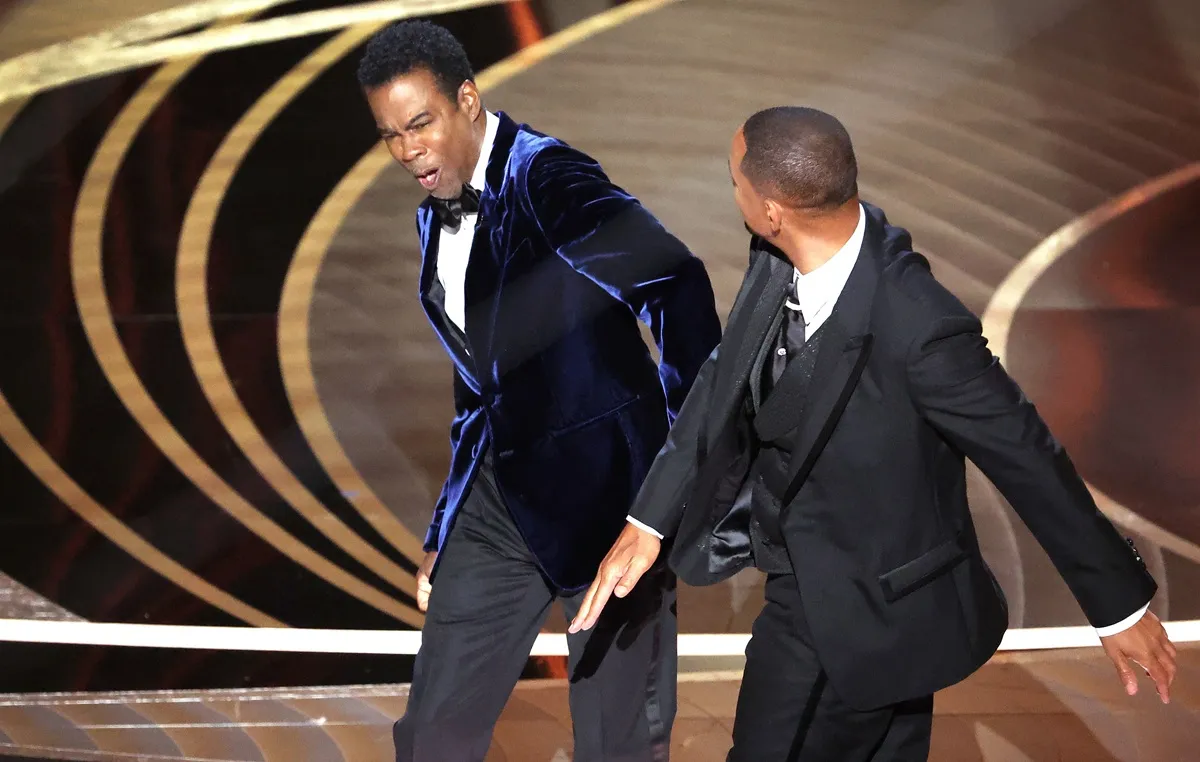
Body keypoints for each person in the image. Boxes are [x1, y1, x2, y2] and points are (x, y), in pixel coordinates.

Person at [570, 106, 1177, 761]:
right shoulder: (776, 256)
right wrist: (650, 520)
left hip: (865, 609)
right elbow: (728, 373)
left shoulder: (921, 326)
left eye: (735, 182)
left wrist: (1117, 605)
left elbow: (1027, 456)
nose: (733, 194)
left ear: (773, 210)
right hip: (838, 596)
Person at [356, 19, 721, 762]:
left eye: (420, 124)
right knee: (433, 736)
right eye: (390, 135)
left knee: (617, 747)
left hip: (609, 508)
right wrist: (445, 527)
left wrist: (669, 485)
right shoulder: (434, 214)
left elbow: (678, 285)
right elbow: (478, 386)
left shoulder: (548, 179)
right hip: (501, 501)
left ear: (467, 100)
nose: (407, 150)